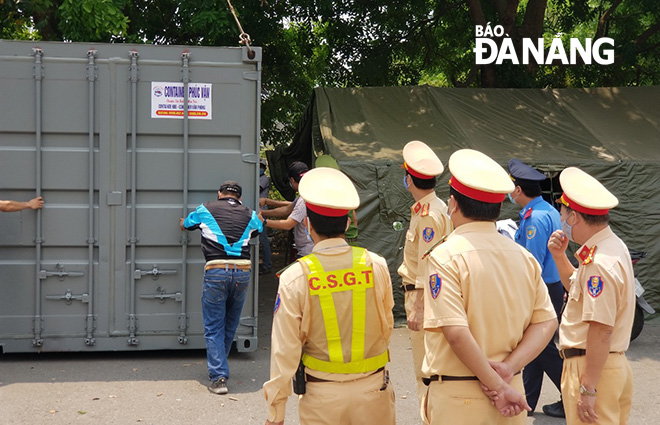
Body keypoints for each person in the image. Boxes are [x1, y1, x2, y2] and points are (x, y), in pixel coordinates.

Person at [421, 149, 557, 425]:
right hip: (511, 392)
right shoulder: (524, 257)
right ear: (497, 208)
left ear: (453, 205)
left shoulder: (446, 256)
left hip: (460, 398)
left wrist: (497, 384)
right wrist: (508, 369)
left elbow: (456, 333)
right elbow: (546, 323)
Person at [263, 167, 395, 425]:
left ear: (307, 223)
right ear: (347, 223)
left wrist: (275, 413)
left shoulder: (296, 277)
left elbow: (284, 351)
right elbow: (386, 324)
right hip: (374, 391)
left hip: (321, 396)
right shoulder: (376, 265)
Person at [547, 167, 634, 425]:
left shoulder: (598, 262)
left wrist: (588, 388)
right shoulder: (609, 248)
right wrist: (559, 257)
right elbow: (577, 289)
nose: (560, 219)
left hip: (593, 368)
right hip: (606, 367)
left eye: (562, 213)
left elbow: (601, 329)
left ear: (574, 217)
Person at [179, 181, 263, 395]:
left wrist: (182, 221)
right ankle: (220, 367)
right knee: (230, 323)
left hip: (216, 270)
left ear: (220, 194)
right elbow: (258, 229)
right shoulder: (250, 213)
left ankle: (219, 377)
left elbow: (186, 225)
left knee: (214, 325)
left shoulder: (205, 209)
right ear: (240, 198)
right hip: (243, 272)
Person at [397, 140, 452, 412]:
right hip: (428, 295)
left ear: (409, 179)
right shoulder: (434, 206)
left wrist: (418, 308)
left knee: (425, 369)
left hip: (422, 296)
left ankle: (429, 416)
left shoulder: (429, 214)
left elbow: (426, 264)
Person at [507, 158, 565, 418]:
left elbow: (532, 266)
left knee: (540, 345)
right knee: (534, 343)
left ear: (518, 190)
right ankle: (528, 400)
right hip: (552, 286)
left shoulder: (533, 219)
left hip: (538, 288)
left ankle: (571, 393)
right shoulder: (549, 210)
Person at [260, 161, 314, 259]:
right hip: (310, 250)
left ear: (292, 180)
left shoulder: (304, 199)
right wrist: (262, 212)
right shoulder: (308, 193)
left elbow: (288, 224)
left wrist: (263, 222)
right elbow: (286, 210)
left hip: (308, 252)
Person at [259, 158, 273, 274]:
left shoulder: (263, 179)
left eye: (261, 166)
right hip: (257, 211)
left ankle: (267, 265)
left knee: (263, 240)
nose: (259, 168)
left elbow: (256, 189)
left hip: (262, 212)